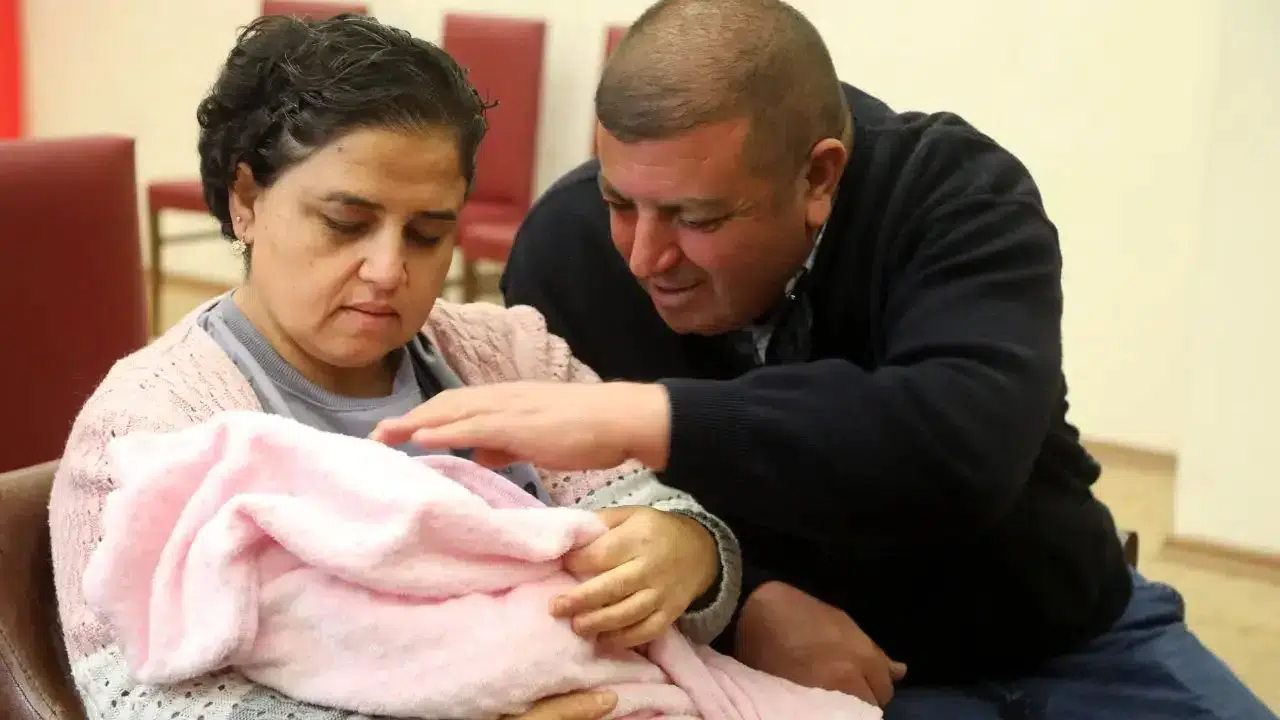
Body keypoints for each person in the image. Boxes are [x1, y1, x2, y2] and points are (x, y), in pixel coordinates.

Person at [371, 1, 1278, 718]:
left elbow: (959, 441)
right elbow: (599, 520)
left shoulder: (955, 194)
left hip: (1072, 637)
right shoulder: (568, 250)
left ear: (819, 176)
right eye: (620, 202)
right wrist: (753, 598)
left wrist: (644, 415)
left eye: (697, 218)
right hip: (812, 683)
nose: (646, 256)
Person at [47, 14, 744, 720]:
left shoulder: (511, 357)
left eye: (427, 234)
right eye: (346, 224)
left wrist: (690, 553)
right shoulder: (148, 428)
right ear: (246, 198)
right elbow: (136, 696)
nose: (387, 271)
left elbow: (646, 510)